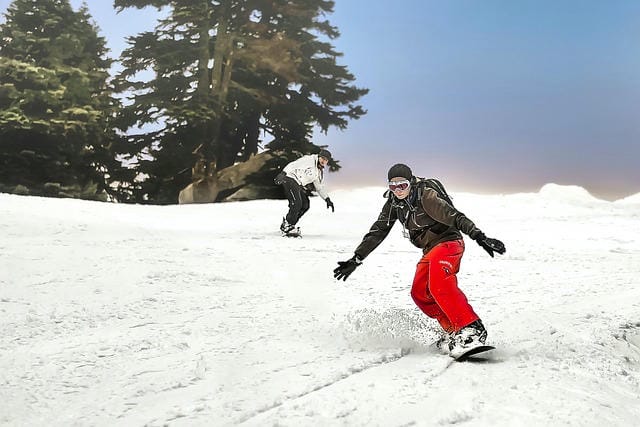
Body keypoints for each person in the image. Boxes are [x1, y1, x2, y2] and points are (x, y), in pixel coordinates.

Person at [333, 163, 506, 357]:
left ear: (411, 182)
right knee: (420, 292)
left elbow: (455, 216)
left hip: (449, 242)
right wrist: (357, 258)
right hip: (430, 250)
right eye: (393, 186)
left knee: (439, 284)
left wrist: (479, 237)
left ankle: (470, 328)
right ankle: (453, 330)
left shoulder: (426, 195)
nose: (398, 190)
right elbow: (378, 230)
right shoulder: (393, 203)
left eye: (403, 185)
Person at [274, 149, 335, 234]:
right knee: (297, 203)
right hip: (290, 178)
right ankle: (288, 225)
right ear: (318, 156)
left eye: (326, 160)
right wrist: (283, 173)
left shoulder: (319, 172)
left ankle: (289, 224)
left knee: (305, 205)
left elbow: (319, 187)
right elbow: (293, 165)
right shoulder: (309, 160)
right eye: (322, 158)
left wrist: (327, 199)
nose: (323, 161)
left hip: (298, 184)